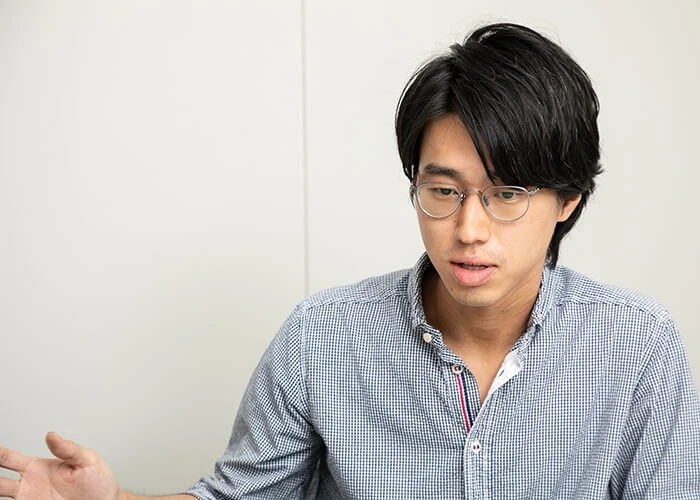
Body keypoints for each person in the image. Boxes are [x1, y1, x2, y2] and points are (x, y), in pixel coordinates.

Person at [1, 22, 698, 500]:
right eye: (443, 190)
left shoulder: (637, 346)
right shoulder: (323, 336)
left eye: (506, 194)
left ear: (568, 199)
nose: (468, 229)